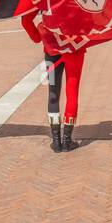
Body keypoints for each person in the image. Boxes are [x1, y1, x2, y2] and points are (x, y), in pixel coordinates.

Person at [21, 9, 85, 152]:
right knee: (72, 91)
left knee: (53, 94)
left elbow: (26, 20)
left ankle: (56, 141)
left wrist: (38, 36)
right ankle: (67, 141)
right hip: (74, 48)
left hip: (51, 49)